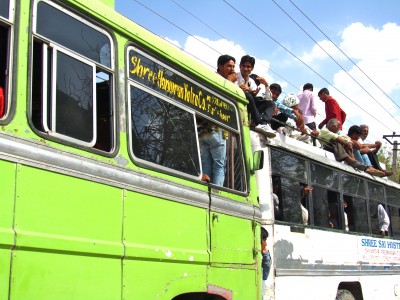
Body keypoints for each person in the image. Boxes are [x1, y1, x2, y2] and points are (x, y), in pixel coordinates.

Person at [198, 55, 235, 186]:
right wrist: (230, 82)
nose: (232, 69)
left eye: (233, 67)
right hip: (216, 130)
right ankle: (217, 194)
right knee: (219, 166)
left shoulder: (209, 78)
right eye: (229, 66)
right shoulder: (219, 81)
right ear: (220, 66)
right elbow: (221, 97)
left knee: (206, 167)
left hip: (202, 131)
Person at [311, 118, 385, 177]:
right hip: (328, 147)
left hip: (337, 150)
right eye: (338, 127)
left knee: (347, 143)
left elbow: (346, 139)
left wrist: (349, 142)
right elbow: (338, 138)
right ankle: (351, 161)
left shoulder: (336, 133)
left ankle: (364, 165)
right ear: (333, 126)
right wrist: (347, 143)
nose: (338, 129)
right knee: (336, 142)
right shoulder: (324, 130)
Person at [236, 55, 275, 138]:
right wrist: (242, 89)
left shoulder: (252, 82)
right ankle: (260, 123)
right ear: (240, 66)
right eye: (244, 66)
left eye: (248, 67)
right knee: (247, 95)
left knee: (270, 103)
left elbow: (267, 99)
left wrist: (266, 84)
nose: (246, 69)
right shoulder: (235, 77)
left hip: (250, 107)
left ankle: (264, 123)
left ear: (252, 68)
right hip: (238, 104)